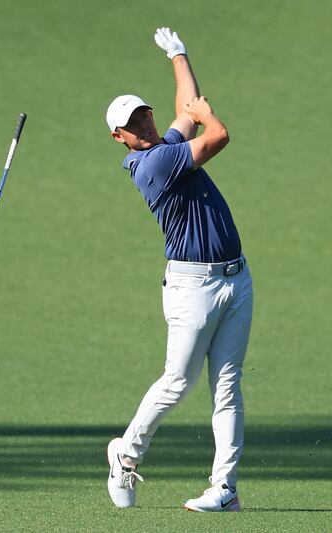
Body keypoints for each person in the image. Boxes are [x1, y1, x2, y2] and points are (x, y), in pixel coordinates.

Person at [103, 28, 254, 513]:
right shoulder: (151, 166)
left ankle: (224, 489)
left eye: (145, 113)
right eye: (133, 121)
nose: (144, 122)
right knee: (177, 382)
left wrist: (178, 55)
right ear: (120, 137)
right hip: (193, 286)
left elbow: (183, 109)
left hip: (235, 278)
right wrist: (206, 115)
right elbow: (216, 133)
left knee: (227, 387)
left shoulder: (163, 148)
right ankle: (126, 453)